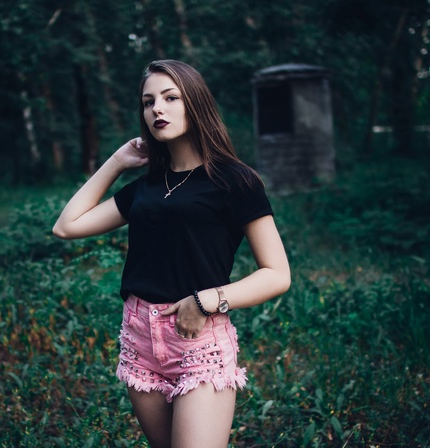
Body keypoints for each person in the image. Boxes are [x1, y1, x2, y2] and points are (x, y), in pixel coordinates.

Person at [53, 60, 290, 448]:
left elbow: (278, 273)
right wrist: (116, 162)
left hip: (199, 340)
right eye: (148, 102)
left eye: (170, 97)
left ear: (194, 102)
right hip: (138, 338)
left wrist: (207, 300)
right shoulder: (147, 187)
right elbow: (67, 226)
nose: (157, 109)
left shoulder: (235, 181)